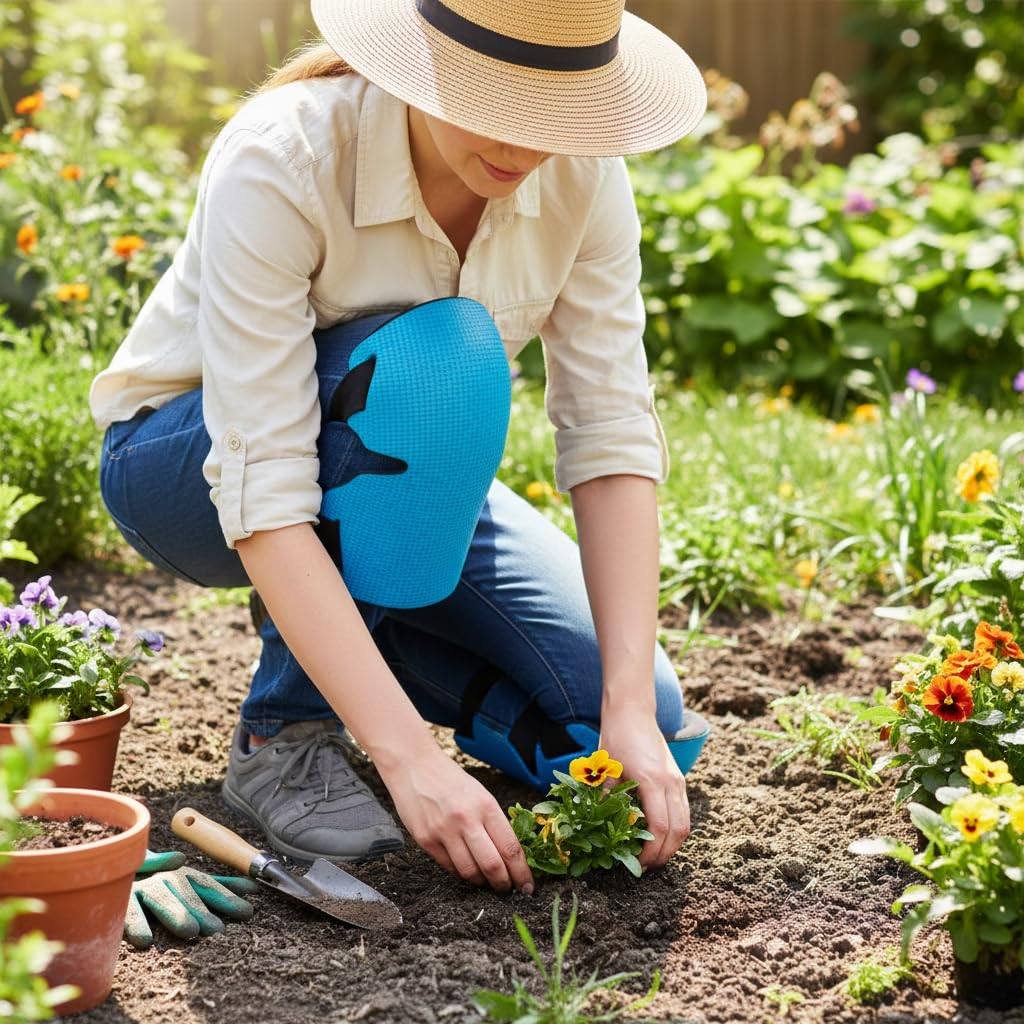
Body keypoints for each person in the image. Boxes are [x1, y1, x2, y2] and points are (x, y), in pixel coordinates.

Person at [90, 0, 711, 896]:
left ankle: (371, 653)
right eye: (497, 102)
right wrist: (409, 757)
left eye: (553, 111)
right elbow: (264, 485)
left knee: (632, 716)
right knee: (435, 366)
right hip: (183, 471)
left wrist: (628, 714)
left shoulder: (583, 176)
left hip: (403, 471)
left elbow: (609, 431)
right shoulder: (285, 155)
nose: (525, 144)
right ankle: (285, 733)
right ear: (429, 64)